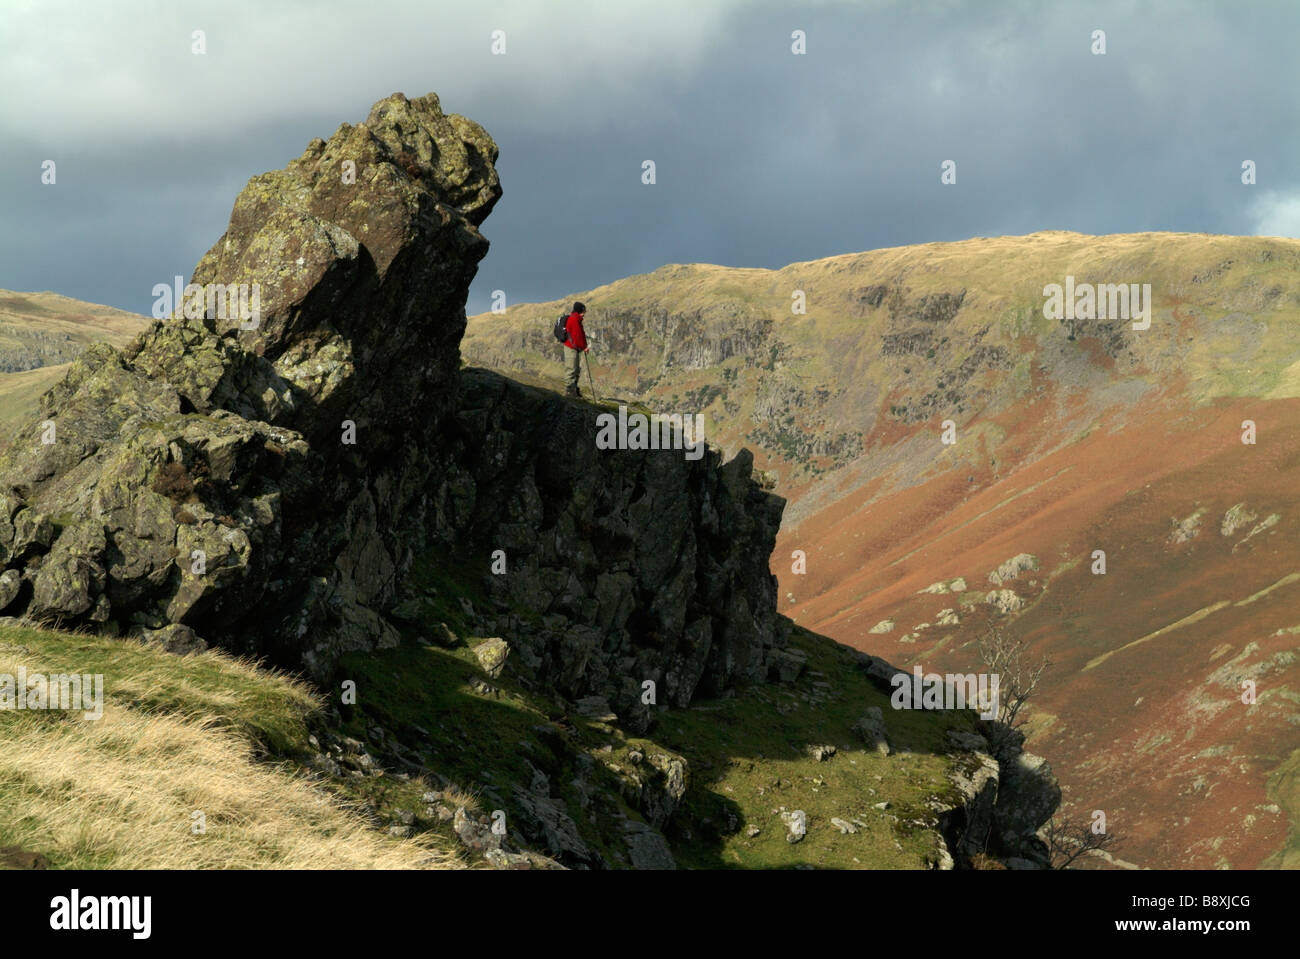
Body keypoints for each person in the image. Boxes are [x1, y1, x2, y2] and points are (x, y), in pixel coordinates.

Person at [563, 301, 588, 397]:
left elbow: (580, 335)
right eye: (583, 311)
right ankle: (569, 391)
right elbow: (577, 336)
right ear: (580, 311)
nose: (584, 313)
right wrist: (584, 347)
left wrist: (583, 346)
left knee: (576, 369)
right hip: (571, 348)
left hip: (574, 348)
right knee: (571, 369)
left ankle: (574, 389)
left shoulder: (577, 319)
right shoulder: (574, 319)